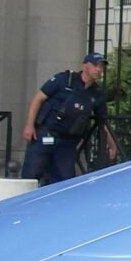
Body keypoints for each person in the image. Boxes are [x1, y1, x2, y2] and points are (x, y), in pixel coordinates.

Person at [21, 53, 116, 181]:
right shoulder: (65, 79)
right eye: (95, 65)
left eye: (101, 67)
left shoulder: (96, 94)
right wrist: (29, 125)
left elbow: (103, 123)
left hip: (67, 143)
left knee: (64, 181)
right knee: (31, 176)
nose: (99, 69)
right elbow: (38, 99)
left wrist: (113, 146)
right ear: (85, 66)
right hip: (45, 134)